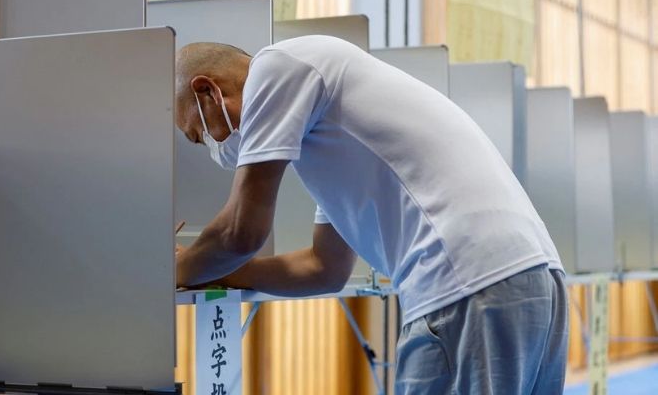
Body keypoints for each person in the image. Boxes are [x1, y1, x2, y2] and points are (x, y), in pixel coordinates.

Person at [174, 36, 568, 394]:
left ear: (207, 91)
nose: (213, 146)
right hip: (532, 280)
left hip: (464, 284)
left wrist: (170, 270)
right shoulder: (333, 134)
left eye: (199, 133)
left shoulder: (275, 68)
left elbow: (241, 233)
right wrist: (221, 271)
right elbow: (323, 268)